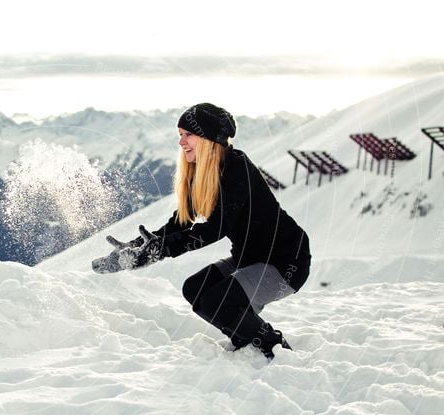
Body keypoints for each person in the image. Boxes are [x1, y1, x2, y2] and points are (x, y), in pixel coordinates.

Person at [108, 102, 311, 359]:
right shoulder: (201, 172)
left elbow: (215, 229)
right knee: (195, 289)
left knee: (218, 300)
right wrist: (139, 248)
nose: (181, 142)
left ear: (209, 138)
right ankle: (245, 339)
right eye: (180, 135)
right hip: (250, 258)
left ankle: (271, 346)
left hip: (285, 262)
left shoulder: (237, 170)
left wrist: (162, 250)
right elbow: (180, 223)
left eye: (188, 134)